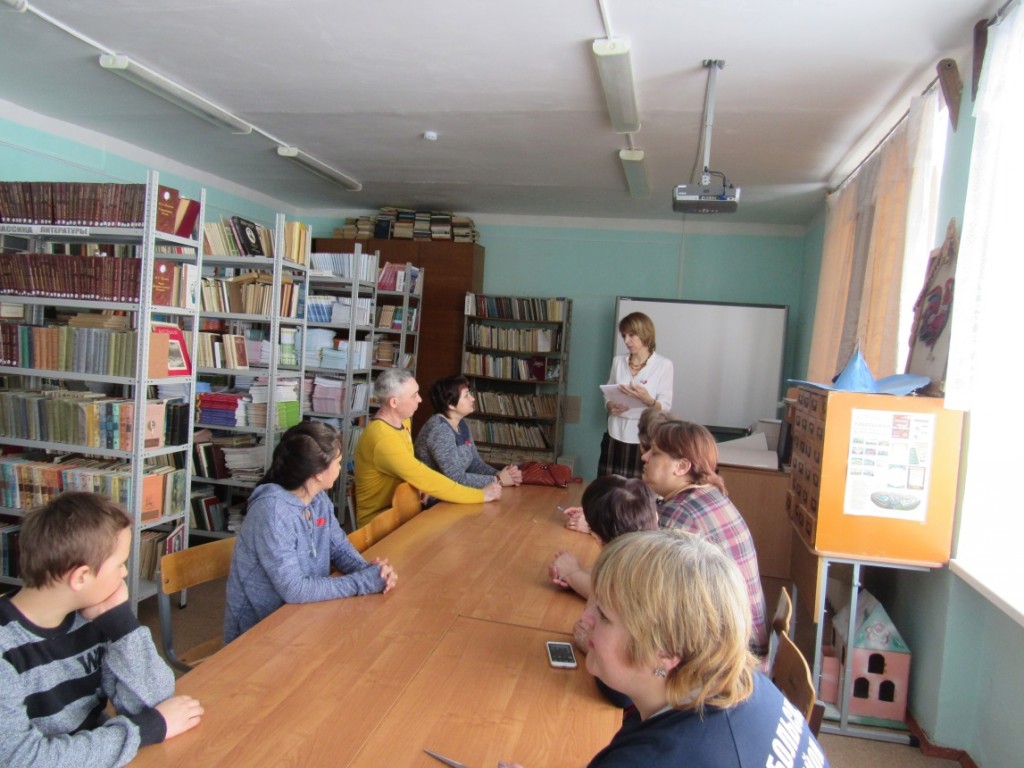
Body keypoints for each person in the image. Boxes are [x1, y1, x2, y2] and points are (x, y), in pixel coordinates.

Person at [500, 530, 829, 768]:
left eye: (604, 615)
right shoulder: (743, 681)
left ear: (666, 652)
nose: (585, 619)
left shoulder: (653, 759)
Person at [0, 492, 203, 768]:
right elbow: (22, 761)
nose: (124, 574)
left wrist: (123, 626)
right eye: (120, 564)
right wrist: (145, 730)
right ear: (81, 577)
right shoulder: (6, 648)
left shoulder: (94, 618)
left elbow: (153, 702)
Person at [224, 421, 398, 643]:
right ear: (318, 474)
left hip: (305, 616)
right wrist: (361, 582)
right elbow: (294, 588)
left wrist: (371, 572)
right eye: (338, 462)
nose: (341, 468)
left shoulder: (317, 498)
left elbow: (339, 548)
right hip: (259, 633)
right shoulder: (272, 511)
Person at [641, 420, 769, 657]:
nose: (644, 457)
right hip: (743, 647)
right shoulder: (708, 495)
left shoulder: (681, 514)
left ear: (682, 466)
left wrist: (574, 573)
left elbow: (644, 594)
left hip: (728, 660)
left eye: (655, 453)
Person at [354, 368, 501, 527]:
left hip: (404, 508)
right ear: (394, 402)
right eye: (413, 395)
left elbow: (406, 467)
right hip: (380, 525)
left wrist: (417, 486)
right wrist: (480, 495)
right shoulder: (383, 439)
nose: (420, 400)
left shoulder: (403, 421)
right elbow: (425, 477)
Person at [565, 406, 675, 534]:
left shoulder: (673, 510)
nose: (644, 457)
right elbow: (635, 516)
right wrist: (595, 514)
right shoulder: (667, 488)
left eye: (654, 453)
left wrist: (593, 526)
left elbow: (642, 536)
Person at [548, 474, 658, 601]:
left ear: (597, 539)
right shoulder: (651, 553)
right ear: (656, 517)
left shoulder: (658, 570)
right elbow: (615, 579)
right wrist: (575, 576)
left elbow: (616, 598)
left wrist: (572, 573)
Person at [598, 312, 673, 479]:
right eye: (624, 335)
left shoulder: (663, 365)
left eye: (631, 335)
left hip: (644, 439)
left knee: (637, 490)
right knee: (607, 488)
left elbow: (665, 407)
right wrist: (609, 406)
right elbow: (608, 392)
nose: (626, 341)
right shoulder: (618, 361)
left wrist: (648, 400)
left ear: (645, 334)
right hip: (614, 433)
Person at [414, 374, 522, 488]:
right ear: (450, 404)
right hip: (434, 495)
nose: (473, 398)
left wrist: (500, 474)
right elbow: (456, 479)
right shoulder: (440, 430)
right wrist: (498, 480)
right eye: (466, 396)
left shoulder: (460, 423)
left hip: (452, 492)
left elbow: (474, 464)